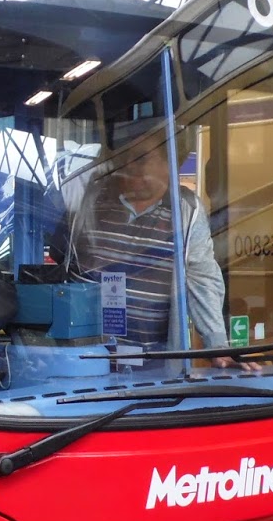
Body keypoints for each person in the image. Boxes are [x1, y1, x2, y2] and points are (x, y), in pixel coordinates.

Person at [67, 121, 228, 354]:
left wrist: (217, 346)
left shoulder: (185, 212)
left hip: (154, 367)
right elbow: (70, 272)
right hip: (91, 361)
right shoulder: (93, 201)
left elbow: (202, 278)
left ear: (169, 162)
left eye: (141, 158)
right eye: (125, 157)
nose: (129, 165)